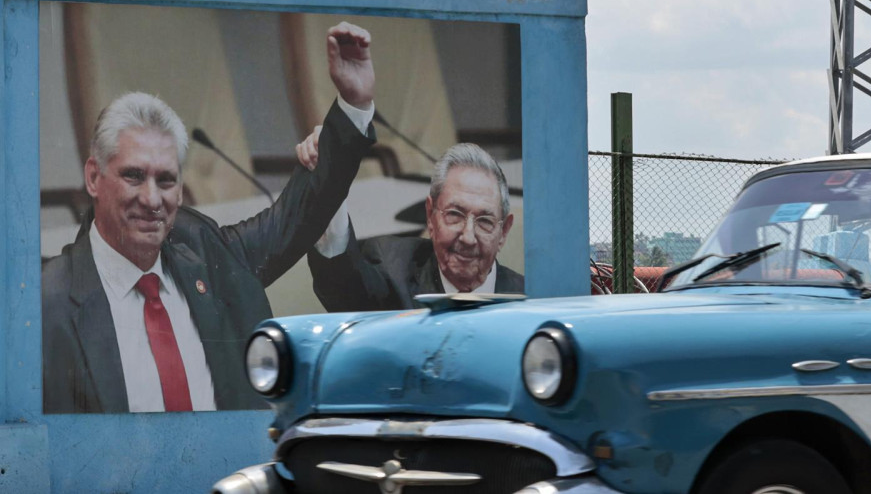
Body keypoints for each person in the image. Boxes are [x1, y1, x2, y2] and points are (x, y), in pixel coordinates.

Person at [42, 22, 378, 414]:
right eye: (134, 175)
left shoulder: (202, 249)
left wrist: (352, 105)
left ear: (181, 190)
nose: (152, 199)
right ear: (94, 177)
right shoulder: (49, 303)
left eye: (166, 180)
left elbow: (292, 220)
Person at [305, 143, 523, 312]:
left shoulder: (529, 301)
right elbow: (342, 287)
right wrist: (329, 187)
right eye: (455, 215)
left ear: (503, 232)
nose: (468, 237)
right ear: (430, 215)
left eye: (484, 221)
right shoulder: (393, 269)